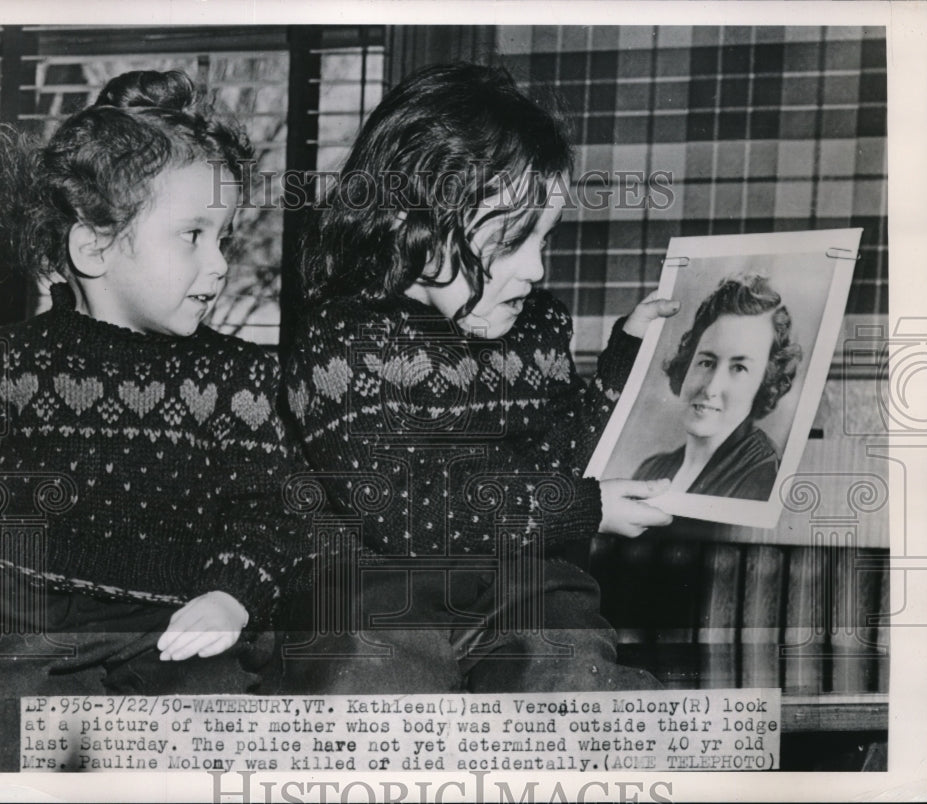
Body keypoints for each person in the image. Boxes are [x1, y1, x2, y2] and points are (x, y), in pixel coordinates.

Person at [280, 63, 678, 694]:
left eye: (545, 239)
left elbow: (560, 462)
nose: (535, 269)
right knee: (372, 674)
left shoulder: (536, 326)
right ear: (411, 225)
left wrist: (624, 360)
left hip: (522, 585)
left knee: (574, 666)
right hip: (375, 588)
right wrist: (583, 507)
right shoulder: (344, 342)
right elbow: (403, 516)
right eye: (511, 242)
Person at [0, 70, 307, 701]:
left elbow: (270, 512)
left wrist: (231, 597)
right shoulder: (6, 366)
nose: (218, 264)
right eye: (193, 235)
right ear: (94, 247)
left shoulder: (237, 379)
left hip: (176, 639)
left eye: (224, 239)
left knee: (216, 722)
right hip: (24, 640)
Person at [633, 274, 803, 501]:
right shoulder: (651, 470)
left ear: (765, 383)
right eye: (706, 362)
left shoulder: (765, 475)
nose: (711, 387)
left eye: (739, 368)